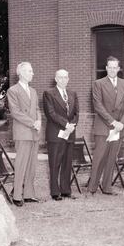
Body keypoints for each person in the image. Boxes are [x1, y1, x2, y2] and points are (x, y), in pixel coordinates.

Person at [88, 56, 124, 195]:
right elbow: (98, 106)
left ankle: (107, 187)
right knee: (99, 158)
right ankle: (92, 187)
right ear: (106, 68)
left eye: (115, 67)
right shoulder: (98, 83)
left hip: (118, 128)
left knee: (112, 158)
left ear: (119, 69)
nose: (112, 70)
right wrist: (113, 122)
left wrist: (121, 123)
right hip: (104, 126)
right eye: (110, 67)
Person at [6, 62, 42, 206]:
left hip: (34, 132)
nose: (32, 73)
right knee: (21, 165)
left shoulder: (33, 91)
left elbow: (38, 109)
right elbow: (15, 112)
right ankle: (16, 196)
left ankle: (28, 194)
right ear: (21, 73)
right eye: (29, 71)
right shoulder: (13, 90)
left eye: (32, 71)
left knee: (32, 165)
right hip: (23, 132)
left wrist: (39, 121)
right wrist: (32, 123)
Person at [43, 69, 79, 200]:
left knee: (67, 163)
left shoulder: (73, 93)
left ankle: (65, 190)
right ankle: (55, 192)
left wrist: (72, 126)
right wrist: (66, 125)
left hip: (69, 134)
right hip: (56, 134)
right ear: (56, 79)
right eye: (61, 77)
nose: (63, 80)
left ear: (68, 79)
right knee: (55, 163)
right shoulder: (49, 94)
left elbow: (76, 113)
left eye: (66, 77)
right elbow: (51, 114)